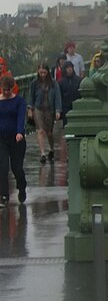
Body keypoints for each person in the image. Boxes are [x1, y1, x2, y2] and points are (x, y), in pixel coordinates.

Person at [0, 74, 28, 204]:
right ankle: (4, 195)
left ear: (13, 88)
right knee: (3, 166)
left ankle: (22, 187)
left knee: (17, 168)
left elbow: (20, 118)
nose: (6, 92)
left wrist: (19, 132)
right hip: (2, 138)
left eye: (8, 90)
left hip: (16, 139)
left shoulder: (19, 101)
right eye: (4, 89)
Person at [28, 63, 62, 164]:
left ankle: (51, 149)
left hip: (49, 109)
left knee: (49, 133)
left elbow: (57, 97)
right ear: (38, 72)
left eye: (44, 72)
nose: (42, 74)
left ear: (47, 72)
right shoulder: (34, 83)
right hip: (38, 108)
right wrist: (30, 109)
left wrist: (58, 110)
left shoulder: (53, 83)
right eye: (41, 72)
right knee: (40, 130)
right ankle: (42, 153)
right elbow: (31, 96)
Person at [58, 61, 81, 127]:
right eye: (67, 68)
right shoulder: (61, 82)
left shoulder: (79, 80)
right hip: (66, 106)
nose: (69, 69)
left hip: (77, 106)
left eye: (71, 67)